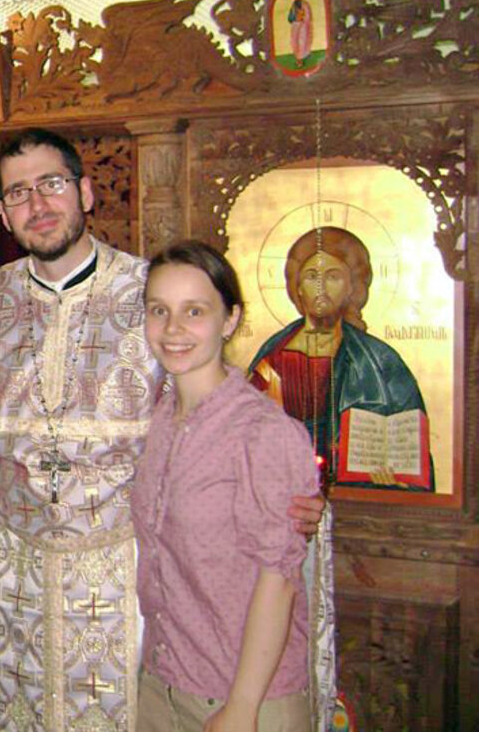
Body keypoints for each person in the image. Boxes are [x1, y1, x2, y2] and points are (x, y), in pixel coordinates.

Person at [0, 128, 325, 730]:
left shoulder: (148, 289)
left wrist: (293, 497)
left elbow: (214, 416)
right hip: (17, 581)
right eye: (18, 192)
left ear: (85, 191)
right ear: (3, 211)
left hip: (125, 578)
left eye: (51, 184)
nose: (38, 204)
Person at [133, 241, 329, 731]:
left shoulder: (263, 432)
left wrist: (241, 706)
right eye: (159, 310)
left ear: (230, 319)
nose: (173, 329)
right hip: (163, 684)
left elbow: (278, 579)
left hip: (243, 697)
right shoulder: (159, 420)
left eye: (194, 311)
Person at [249, 226, 433, 491]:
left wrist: (394, 478)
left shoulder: (380, 361)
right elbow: (243, 436)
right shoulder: (273, 358)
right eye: (311, 276)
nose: (321, 287)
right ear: (297, 286)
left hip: (357, 500)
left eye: (333, 276)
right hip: (282, 491)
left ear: (352, 287)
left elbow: (410, 452)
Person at [287, 0, 313, 68]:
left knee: (303, 41)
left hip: (303, 25)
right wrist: (296, 18)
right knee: (295, 41)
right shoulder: (294, 5)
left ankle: (303, 56)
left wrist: (303, 18)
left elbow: (308, 17)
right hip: (296, 25)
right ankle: (298, 58)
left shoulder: (305, 4)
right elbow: (290, 17)